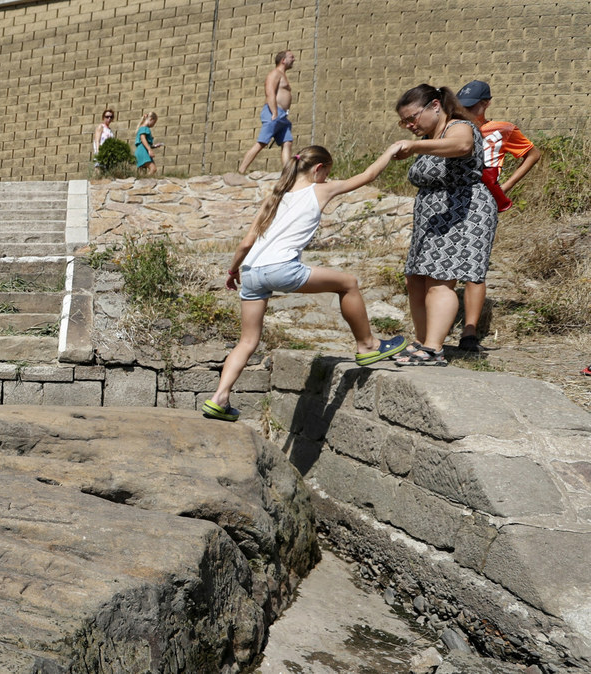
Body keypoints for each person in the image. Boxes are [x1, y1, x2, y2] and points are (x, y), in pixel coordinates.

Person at [201, 144, 409, 422]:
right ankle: (368, 344)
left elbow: (246, 242)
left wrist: (233, 270)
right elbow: (369, 175)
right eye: (327, 173)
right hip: (281, 268)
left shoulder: (275, 196)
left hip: (251, 271)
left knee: (247, 341)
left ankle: (220, 398)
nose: (327, 179)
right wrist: (390, 151)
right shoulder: (318, 189)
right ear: (318, 169)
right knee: (348, 283)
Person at [390, 84, 497, 366]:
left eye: (413, 118)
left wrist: (414, 145)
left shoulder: (459, 126)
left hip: (462, 211)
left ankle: (434, 349)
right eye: (405, 122)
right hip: (432, 216)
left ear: (435, 106)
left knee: (440, 279)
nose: (410, 125)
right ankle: (423, 342)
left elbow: (462, 146)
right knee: (416, 279)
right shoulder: (430, 136)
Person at [454, 79, 543, 352]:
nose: (466, 111)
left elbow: (532, 154)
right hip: (453, 197)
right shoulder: (454, 128)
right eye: (462, 107)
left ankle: (469, 332)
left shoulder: (502, 129)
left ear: (486, 104)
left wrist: (505, 186)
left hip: (485, 199)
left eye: (472, 106)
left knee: (476, 266)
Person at [238, 50, 295, 174]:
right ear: (283, 60)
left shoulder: (283, 75)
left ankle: (287, 173)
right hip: (273, 112)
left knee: (287, 142)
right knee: (262, 142)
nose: (294, 59)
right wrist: (274, 112)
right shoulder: (275, 74)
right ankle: (241, 170)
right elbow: (270, 92)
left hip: (282, 115)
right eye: (291, 57)